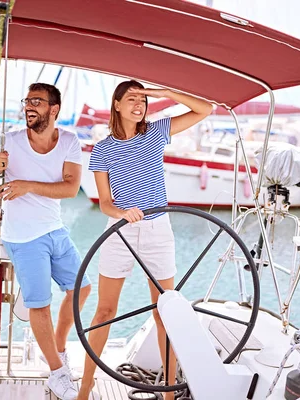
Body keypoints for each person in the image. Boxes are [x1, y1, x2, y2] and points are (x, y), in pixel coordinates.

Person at [77, 80, 212, 400]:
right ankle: (85, 386)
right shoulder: (103, 149)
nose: (139, 104)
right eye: (132, 98)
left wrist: (165, 93)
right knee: (104, 312)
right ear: (117, 105)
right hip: (118, 232)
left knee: (165, 311)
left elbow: (205, 109)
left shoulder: (156, 132)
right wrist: (122, 212)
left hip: (157, 233)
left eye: (143, 98)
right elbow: (106, 202)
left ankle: (167, 394)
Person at [0, 83, 91, 400]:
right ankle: (57, 374)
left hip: (55, 230)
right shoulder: (8, 141)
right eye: (27, 100)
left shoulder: (69, 141)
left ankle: (57, 350)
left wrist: (27, 185)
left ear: (54, 109)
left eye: (37, 101)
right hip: (23, 237)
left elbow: (70, 189)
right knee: (40, 304)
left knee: (82, 288)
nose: (29, 106)